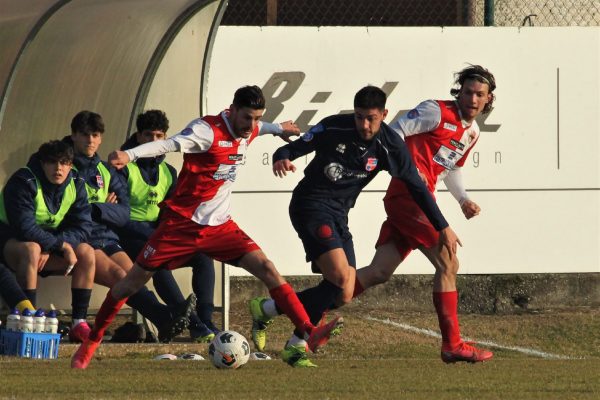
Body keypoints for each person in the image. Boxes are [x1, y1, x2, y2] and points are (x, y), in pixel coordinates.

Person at [71, 85, 341, 369]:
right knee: (130, 282)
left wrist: (278, 128)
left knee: (267, 268)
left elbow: (261, 127)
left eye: (256, 118)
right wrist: (130, 155)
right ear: (232, 110)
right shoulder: (206, 131)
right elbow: (169, 144)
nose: (251, 126)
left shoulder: (248, 128)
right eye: (247, 118)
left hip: (221, 227)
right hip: (181, 227)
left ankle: (309, 332)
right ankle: (91, 342)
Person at [249, 85, 460, 367]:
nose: (364, 124)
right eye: (359, 116)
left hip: (339, 214)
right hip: (310, 205)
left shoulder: (389, 144)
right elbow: (293, 147)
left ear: (384, 114)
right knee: (338, 276)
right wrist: (282, 157)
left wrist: (443, 226)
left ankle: (274, 315)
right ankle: (294, 339)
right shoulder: (334, 127)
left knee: (344, 292)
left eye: (371, 118)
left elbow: (418, 189)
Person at [352, 65, 496, 363]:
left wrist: (463, 199)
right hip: (408, 196)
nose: (471, 98)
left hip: (420, 199)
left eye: (478, 94)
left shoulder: (472, 132)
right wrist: (407, 172)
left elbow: (452, 167)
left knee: (378, 272)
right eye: (468, 91)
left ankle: (292, 311)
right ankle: (452, 345)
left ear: (487, 99)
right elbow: (394, 132)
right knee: (448, 260)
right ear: (460, 91)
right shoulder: (435, 111)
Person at [65, 110, 194, 343]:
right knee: (121, 276)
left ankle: (169, 318)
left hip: (106, 235)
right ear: (73, 136)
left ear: (101, 138)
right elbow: (69, 206)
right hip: (81, 237)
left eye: (95, 135)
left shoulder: (104, 168)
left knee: (135, 276)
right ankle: (166, 317)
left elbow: (123, 212)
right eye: (85, 135)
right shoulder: (65, 166)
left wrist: (99, 209)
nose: (90, 140)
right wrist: (100, 207)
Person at [115, 109, 219, 342]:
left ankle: (206, 320)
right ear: (138, 137)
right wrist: (155, 235)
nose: (154, 142)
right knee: (157, 260)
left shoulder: (168, 171)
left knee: (203, 255)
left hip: (156, 233)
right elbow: (119, 216)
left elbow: (172, 210)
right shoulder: (122, 167)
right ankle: (194, 324)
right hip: (127, 235)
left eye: (159, 136)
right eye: (149, 136)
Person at [0, 140, 95, 341]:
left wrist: (58, 244)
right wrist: (59, 245)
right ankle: (29, 320)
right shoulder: (24, 181)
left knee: (86, 252)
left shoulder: (76, 182)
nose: (58, 168)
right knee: (31, 249)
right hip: (8, 242)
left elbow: (83, 226)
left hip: (47, 244)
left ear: (71, 164)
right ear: (43, 163)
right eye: (52, 162)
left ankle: (79, 322)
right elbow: (24, 228)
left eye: (64, 163)